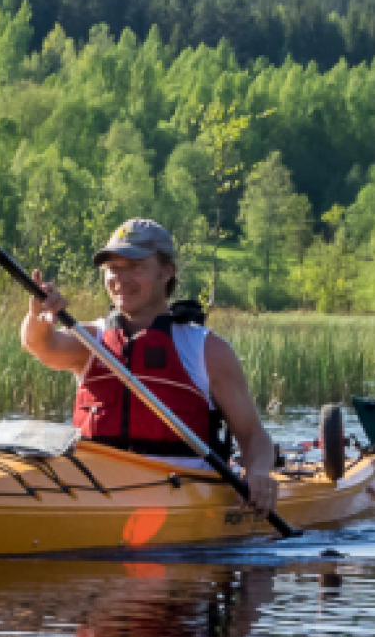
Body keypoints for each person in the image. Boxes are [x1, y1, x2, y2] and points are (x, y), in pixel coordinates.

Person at [21, 218, 279, 516]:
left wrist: (258, 473)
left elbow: (254, 436)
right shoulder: (91, 340)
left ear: (167, 271)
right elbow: (40, 345)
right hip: (93, 488)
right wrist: (38, 317)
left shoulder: (206, 350)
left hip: (182, 495)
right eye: (113, 268)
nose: (120, 278)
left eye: (135, 267)